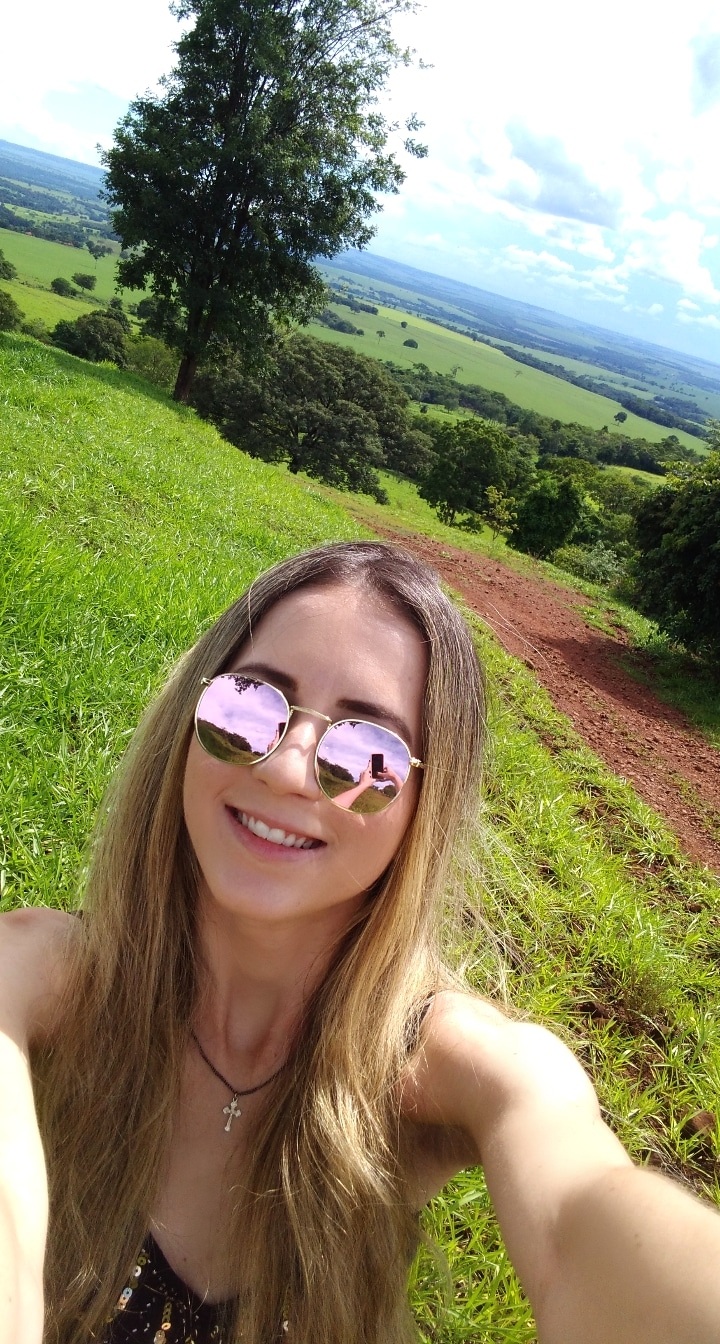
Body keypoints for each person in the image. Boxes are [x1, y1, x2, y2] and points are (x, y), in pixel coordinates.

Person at [1, 539, 719, 1344]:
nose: (285, 769)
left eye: (366, 752)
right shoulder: (42, 978)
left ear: (425, 803)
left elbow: (578, 1217)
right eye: (250, 704)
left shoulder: (450, 1067)